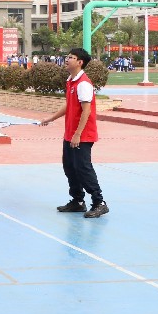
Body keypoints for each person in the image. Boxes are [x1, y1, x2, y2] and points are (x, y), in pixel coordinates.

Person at [39, 47, 108, 218]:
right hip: (70, 133)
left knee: (83, 168)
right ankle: (78, 201)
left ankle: (99, 202)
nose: (67, 59)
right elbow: (69, 105)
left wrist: (78, 134)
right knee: (70, 167)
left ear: (80, 62)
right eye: (67, 56)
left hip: (82, 135)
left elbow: (87, 111)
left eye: (71, 57)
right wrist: (51, 118)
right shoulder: (71, 80)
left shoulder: (83, 83)